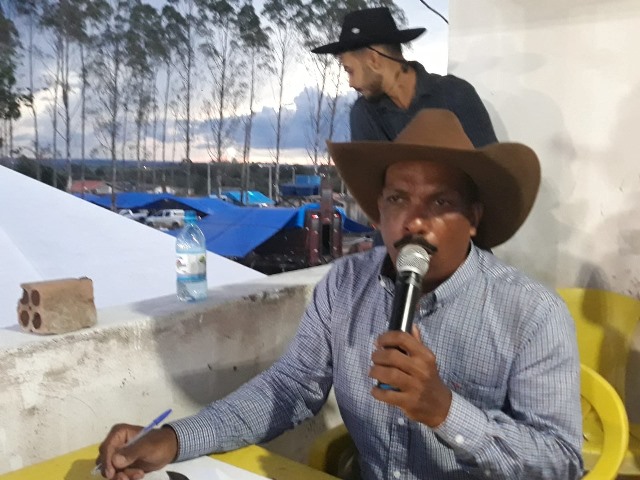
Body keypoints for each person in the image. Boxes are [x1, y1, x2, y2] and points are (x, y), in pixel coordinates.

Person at [96, 109, 583, 480]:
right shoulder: (345, 284)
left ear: (473, 219)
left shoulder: (533, 314)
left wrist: (444, 410)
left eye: (440, 202)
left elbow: (562, 461)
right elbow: (290, 388)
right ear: (379, 213)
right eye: (398, 199)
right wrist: (175, 438)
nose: (414, 220)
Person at [311, 7, 497, 147]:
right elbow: (370, 184)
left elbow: (490, 171)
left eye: (349, 70)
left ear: (374, 60)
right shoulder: (364, 113)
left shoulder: (455, 94)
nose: (351, 83)